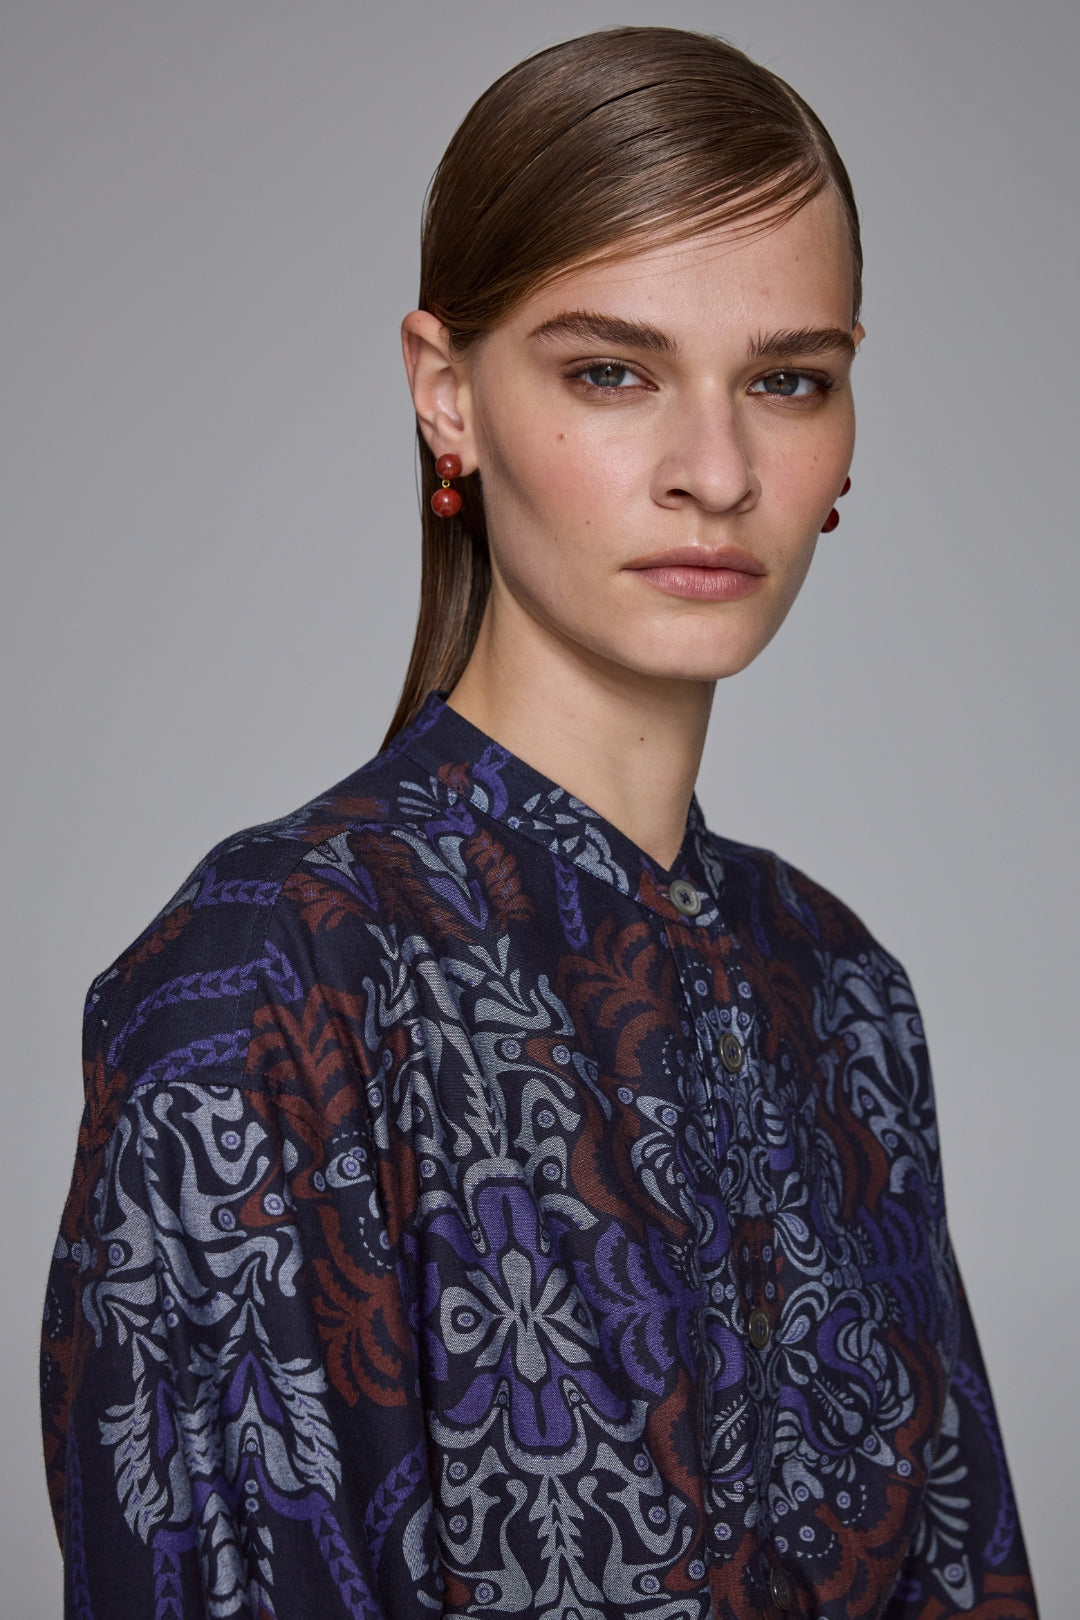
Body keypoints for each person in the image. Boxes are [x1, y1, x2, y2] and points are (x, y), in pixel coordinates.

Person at [40, 26, 1037, 1620]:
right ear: (449, 397)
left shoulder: (846, 993)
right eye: (612, 372)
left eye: (786, 380)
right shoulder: (268, 980)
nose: (716, 470)